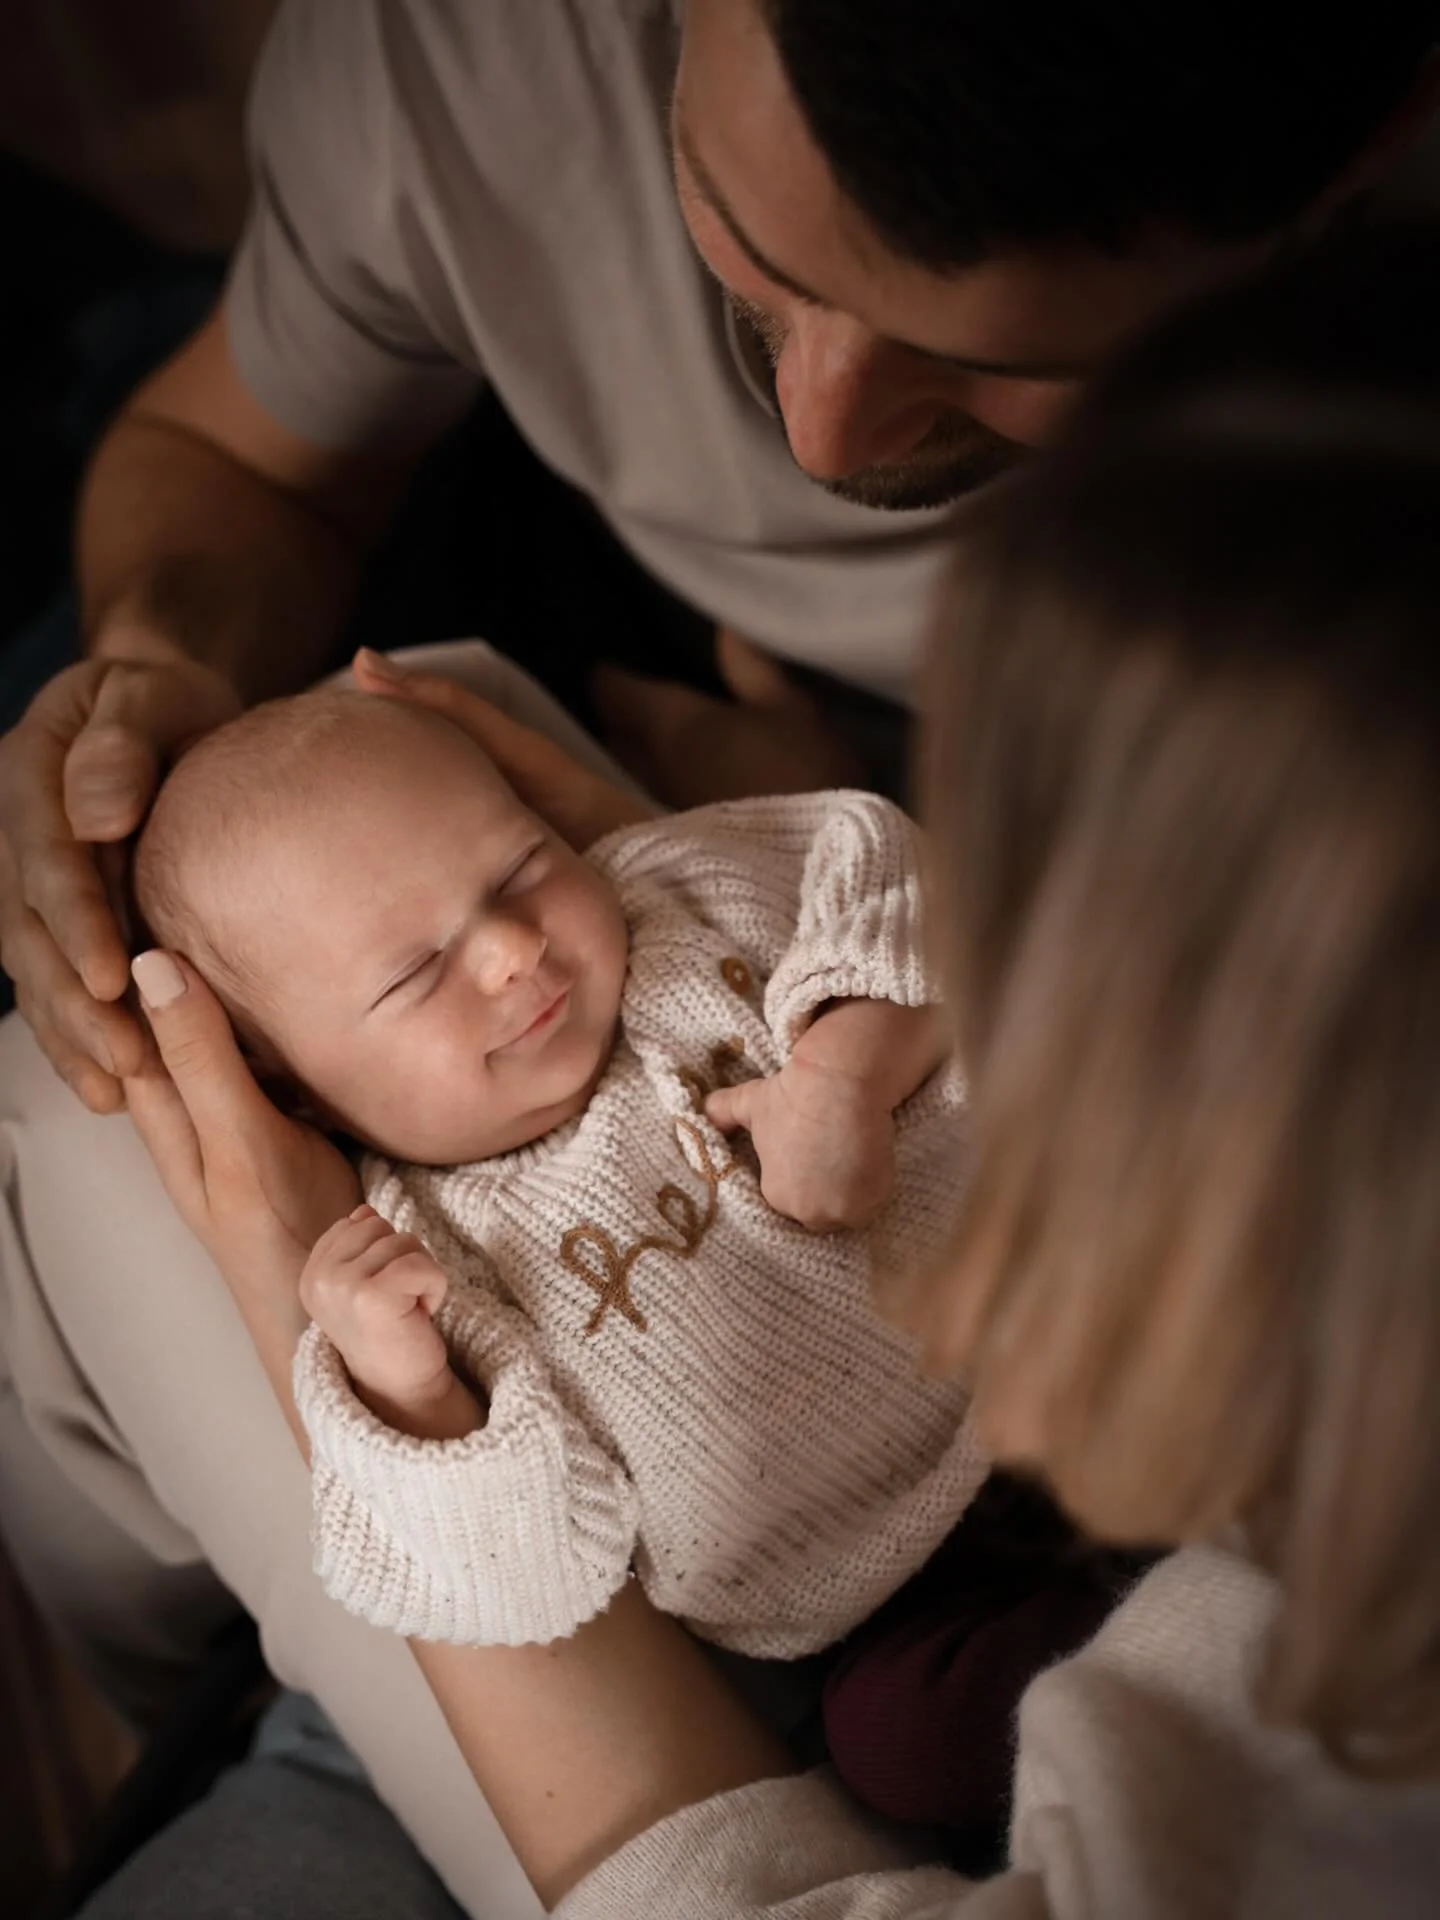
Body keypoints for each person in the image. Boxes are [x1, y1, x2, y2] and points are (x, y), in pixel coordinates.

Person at [1, 1, 1436, 1907]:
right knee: (297, 794)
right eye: (749, 251)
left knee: (81, 1124)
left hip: (960, 1486)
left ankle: (221, 1711)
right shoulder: (476, 58)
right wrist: (169, 669)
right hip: (816, 1537)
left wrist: (296, 1312)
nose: (815, 429)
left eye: (1003, 361)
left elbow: (890, 902)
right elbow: (234, 464)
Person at [132, 680, 986, 1669]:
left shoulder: (676, 899)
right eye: (414, 975)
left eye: (521, 865)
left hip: (1082, 1348)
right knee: (909, 1751)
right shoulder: (421, 1247)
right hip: (869, 1602)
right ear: (299, 1094)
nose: (509, 945)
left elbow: (898, 871)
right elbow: (520, 1576)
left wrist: (852, 1067)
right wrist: (407, 1391)